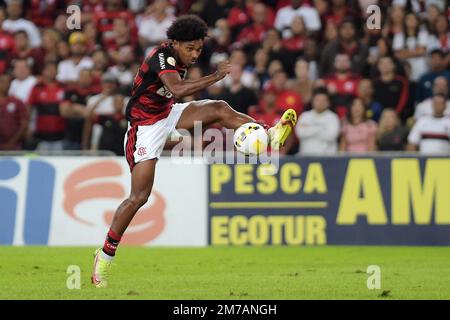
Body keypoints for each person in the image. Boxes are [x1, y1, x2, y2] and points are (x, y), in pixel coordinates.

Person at [91, 15, 297, 288]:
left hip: (167, 115)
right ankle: (104, 256)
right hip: (144, 127)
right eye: (190, 49)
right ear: (175, 43)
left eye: (199, 49)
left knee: (219, 108)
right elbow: (176, 89)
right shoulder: (160, 56)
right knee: (139, 196)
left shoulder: (180, 56)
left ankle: (269, 134)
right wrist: (216, 76)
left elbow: (174, 96)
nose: (195, 54)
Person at [295, 88, 340, 154]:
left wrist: (309, 128)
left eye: (323, 100)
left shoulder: (333, 117)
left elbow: (331, 136)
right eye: (317, 100)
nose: (320, 103)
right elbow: (300, 133)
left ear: (328, 103)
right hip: (306, 156)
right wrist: (321, 128)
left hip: (327, 158)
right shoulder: (305, 116)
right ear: (312, 102)